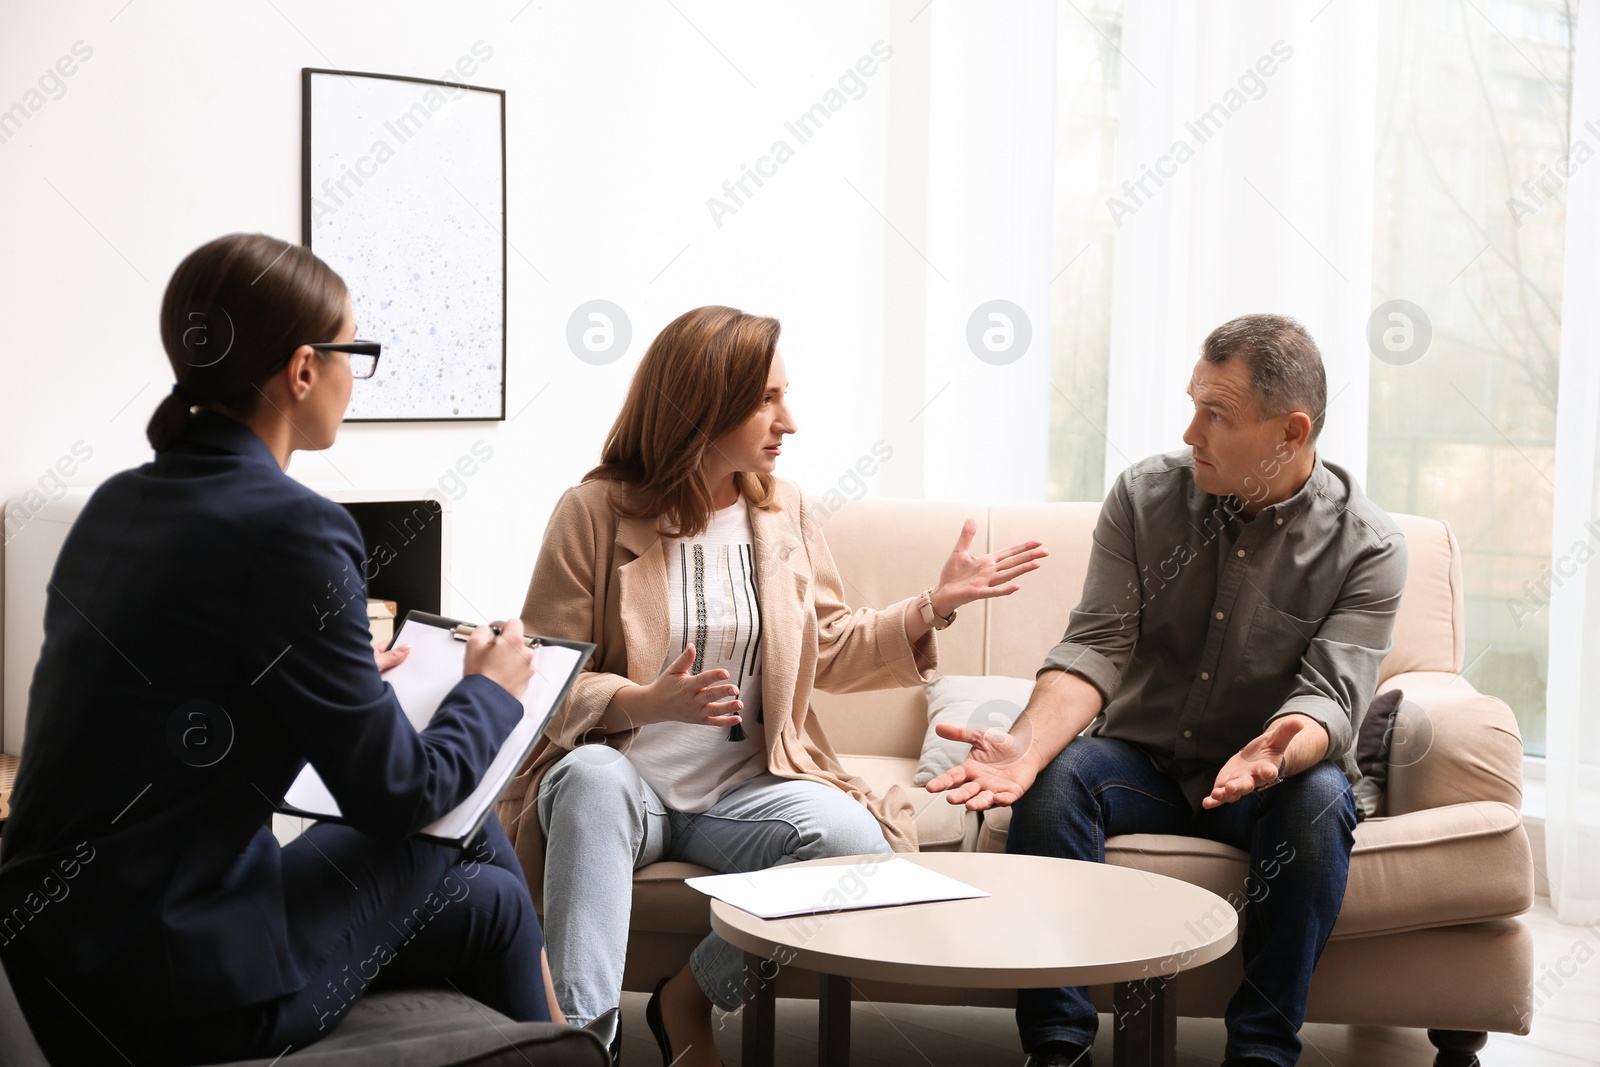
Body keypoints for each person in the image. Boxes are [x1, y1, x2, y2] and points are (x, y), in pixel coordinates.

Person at [0, 233, 560, 1066]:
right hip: (179, 989)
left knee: (482, 891)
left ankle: (580, 1046)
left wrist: (319, 683)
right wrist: (491, 690)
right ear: (303, 370)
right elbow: (397, 795)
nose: (350, 378)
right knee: (471, 840)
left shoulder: (118, 504)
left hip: (60, 953)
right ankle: (585, 1046)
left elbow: (174, 689)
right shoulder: (295, 526)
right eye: (353, 354)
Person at [503, 305, 1046, 1066]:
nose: (787, 419)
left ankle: (688, 995)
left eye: (783, 395)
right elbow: (544, 676)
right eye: (766, 399)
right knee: (591, 777)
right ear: (699, 406)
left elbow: (827, 642)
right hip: (628, 782)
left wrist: (933, 605)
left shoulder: (780, 509)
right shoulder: (592, 512)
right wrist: (642, 701)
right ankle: (583, 1046)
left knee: (859, 845)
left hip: (746, 791)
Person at [928, 314, 1407, 1067]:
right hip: (1142, 763)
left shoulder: (1369, 547)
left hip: (1265, 782)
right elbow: (1096, 642)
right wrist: (1025, 745)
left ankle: (1261, 1053)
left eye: (1216, 414)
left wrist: (1282, 748)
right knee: (1054, 781)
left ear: (1291, 431)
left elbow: (1331, 699)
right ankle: (1058, 1048)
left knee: (1319, 799)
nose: (1191, 432)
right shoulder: (1145, 497)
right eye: (1192, 405)